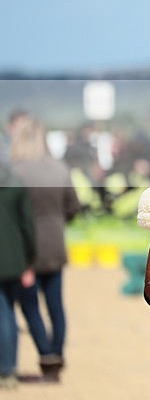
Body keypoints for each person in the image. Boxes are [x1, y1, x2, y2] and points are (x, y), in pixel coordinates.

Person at [9, 115, 81, 382]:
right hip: (55, 245)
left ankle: (46, 354)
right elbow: (73, 207)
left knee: (29, 306)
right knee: (55, 306)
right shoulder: (59, 169)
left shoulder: (13, 171)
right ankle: (58, 355)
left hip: (25, 249)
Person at [0, 142, 36, 390]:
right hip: (13, 261)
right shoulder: (15, 184)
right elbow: (28, 228)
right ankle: (9, 370)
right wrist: (29, 262)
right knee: (7, 314)